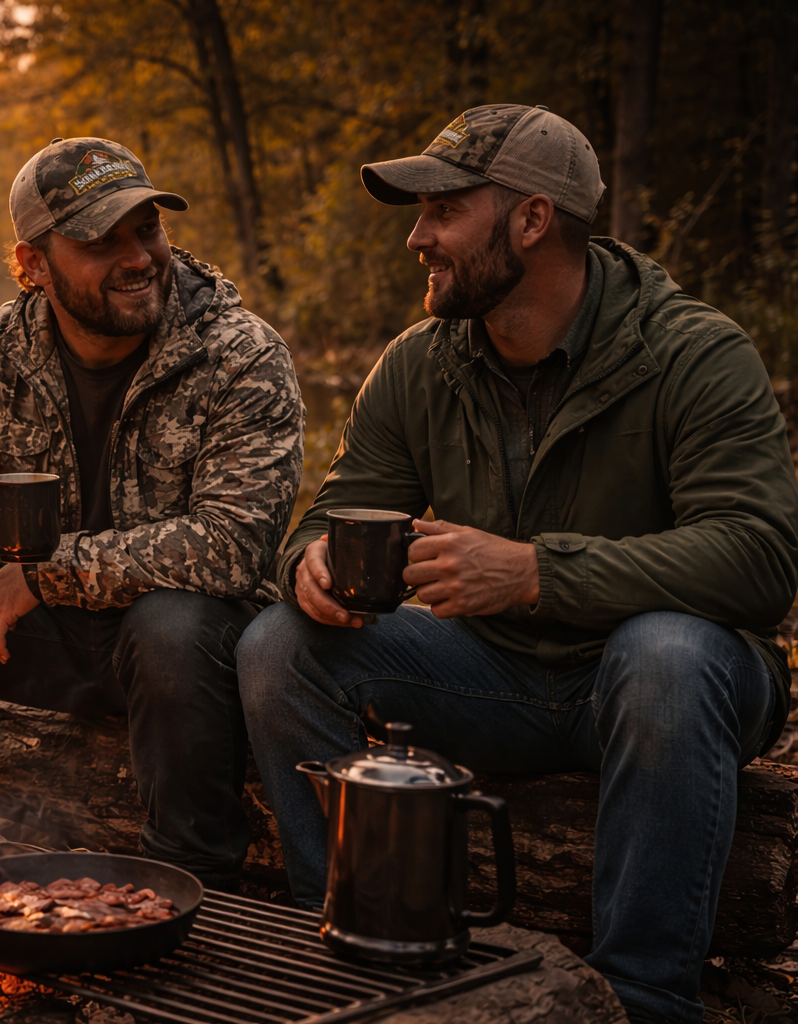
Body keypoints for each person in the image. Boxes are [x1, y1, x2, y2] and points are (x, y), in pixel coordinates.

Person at [237, 104, 798, 1023]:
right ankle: (352, 942)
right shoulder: (418, 364)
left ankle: (643, 998)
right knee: (276, 645)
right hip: (492, 675)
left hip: (671, 683)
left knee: (664, 654)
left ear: (532, 221)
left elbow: (761, 559)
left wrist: (539, 571)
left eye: (444, 211)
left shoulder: (696, 353)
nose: (418, 236)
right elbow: (337, 511)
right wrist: (311, 561)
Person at [0, 137, 304, 888]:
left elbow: (233, 545)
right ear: (33, 266)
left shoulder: (239, 354)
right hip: (38, 644)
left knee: (171, 623)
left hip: (192, 655)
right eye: (100, 243)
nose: (137, 257)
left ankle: (195, 882)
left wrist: (48, 574)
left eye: (146, 229)